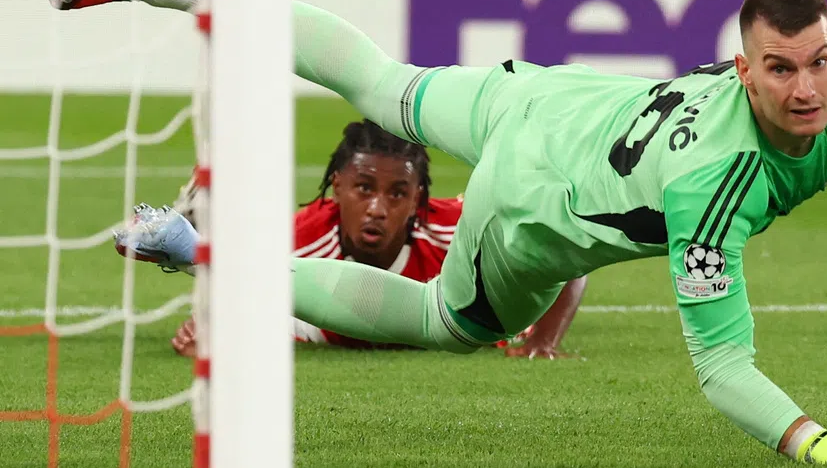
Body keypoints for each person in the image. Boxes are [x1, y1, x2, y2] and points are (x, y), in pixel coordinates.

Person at [48, 0, 827, 468]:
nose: (808, 88)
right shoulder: (714, 184)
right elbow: (723, 368)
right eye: (780, 69)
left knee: (385, 80)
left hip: (551, 99)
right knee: (444, 321)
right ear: (742, 68)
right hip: (532, 204)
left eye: (822, 60)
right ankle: (198, 247)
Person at [119, 119, 587, 360]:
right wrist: (207, 324)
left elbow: (564, 251)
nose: (378, 208)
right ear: (338, 185)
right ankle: (196, 226)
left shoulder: (456, 227)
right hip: (323, 325)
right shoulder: (297, 237)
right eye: (364, 188)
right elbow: (236, 288)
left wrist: (542, 343)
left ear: (419, 198)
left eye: (398, 193)